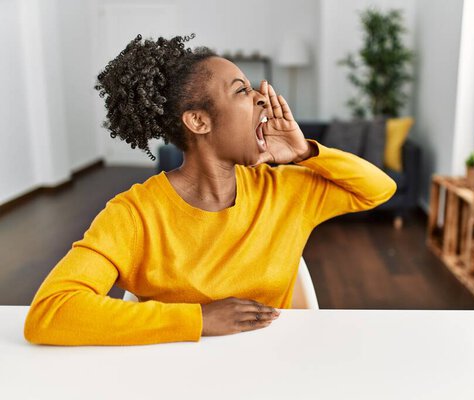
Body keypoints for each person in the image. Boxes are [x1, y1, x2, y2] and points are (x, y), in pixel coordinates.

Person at [23, 33, 397, 346]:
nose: (262, 98)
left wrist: (304, 152)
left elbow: (379, 189)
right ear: (199, 121)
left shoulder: (283, 190)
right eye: (241, 91)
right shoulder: (134, 215)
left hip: (273, 368)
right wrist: (198, 319)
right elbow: (51, 312)